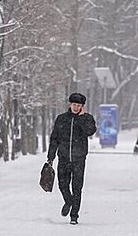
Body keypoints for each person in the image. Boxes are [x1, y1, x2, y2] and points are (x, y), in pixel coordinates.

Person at [47, 92, 97, 225]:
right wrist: (50, 156)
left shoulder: (87, 119)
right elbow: (54, 138)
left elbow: (90, 131)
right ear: (70, 104)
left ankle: (74, 216)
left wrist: (81, 118)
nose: (76, 107)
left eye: (78, 105)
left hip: (79, 159)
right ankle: (69, 202)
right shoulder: (61, 119)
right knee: (62, 184)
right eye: (74, 104)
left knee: (77, 187)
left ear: (82, 106)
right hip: (63, 158)